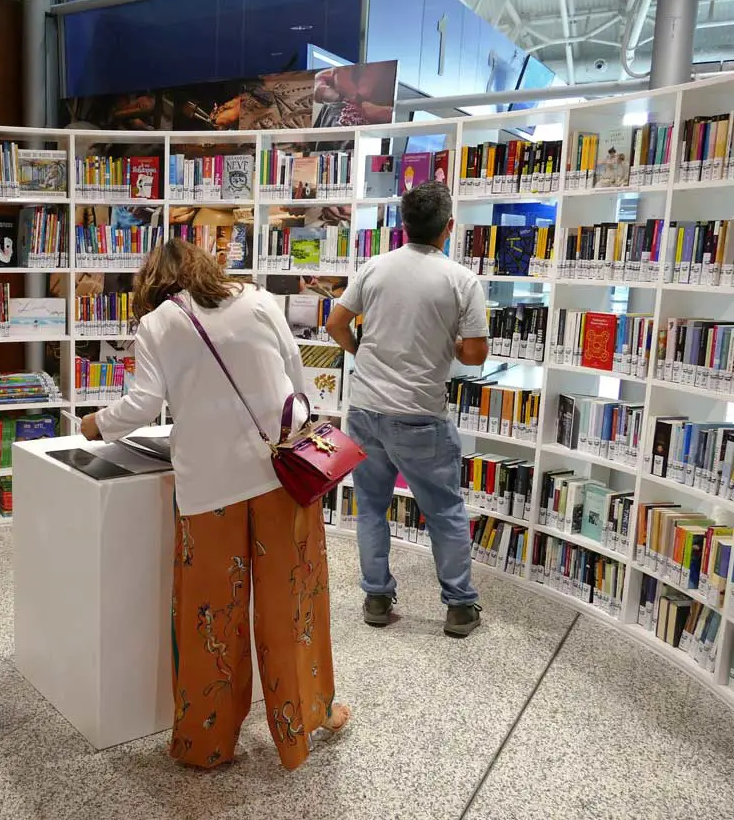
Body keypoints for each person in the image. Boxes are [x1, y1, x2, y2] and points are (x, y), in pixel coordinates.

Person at [79, 240, 350, 771]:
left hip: (209, 491)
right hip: (282, 478)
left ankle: (207, 741)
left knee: (210, 616)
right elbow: (297, 379)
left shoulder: (157, 324)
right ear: (207, 268)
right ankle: (308, 718)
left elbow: (144, 403)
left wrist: (95, 424)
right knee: (290, 603)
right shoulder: (257, 299)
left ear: (151, 282)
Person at [325, 181, 488, 638]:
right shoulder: (461, 280)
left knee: (371, 507)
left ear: (403, 226)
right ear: (449, 227)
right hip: (420, 414)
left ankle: (376, 595)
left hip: (365, 408)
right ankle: (458, 606)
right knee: (445, 511)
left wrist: (362, 352)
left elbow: (336, 323)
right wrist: (448, 345)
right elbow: (475, 355)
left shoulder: (374, 268)